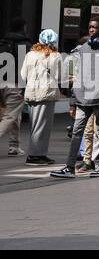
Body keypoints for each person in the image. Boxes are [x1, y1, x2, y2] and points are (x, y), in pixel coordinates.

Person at [50, 18, 99, 178]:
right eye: (89, 27)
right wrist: (74, 97)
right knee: (77, 131)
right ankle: (69, 167)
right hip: (82, 97)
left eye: (94, 27)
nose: (91, 29)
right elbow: (75, 73)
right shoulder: (84, 48)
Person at [21, 29, 62, 165]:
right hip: (46, 93)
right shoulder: (55, 56)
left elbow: (23, 75)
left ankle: (39, 153)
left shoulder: (30, 54)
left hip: (32, 92)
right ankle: (35, 155)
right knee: (43, 126)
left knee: (35, 125)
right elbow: (60, 76)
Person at [0, 19, 31, 157]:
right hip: (15, 84)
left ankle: (14, 146)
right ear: (23, 28)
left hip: (1, 82)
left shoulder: (3, 42)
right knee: (10, 116)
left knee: (15, 115)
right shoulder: (25, 45)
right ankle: (14, 146)